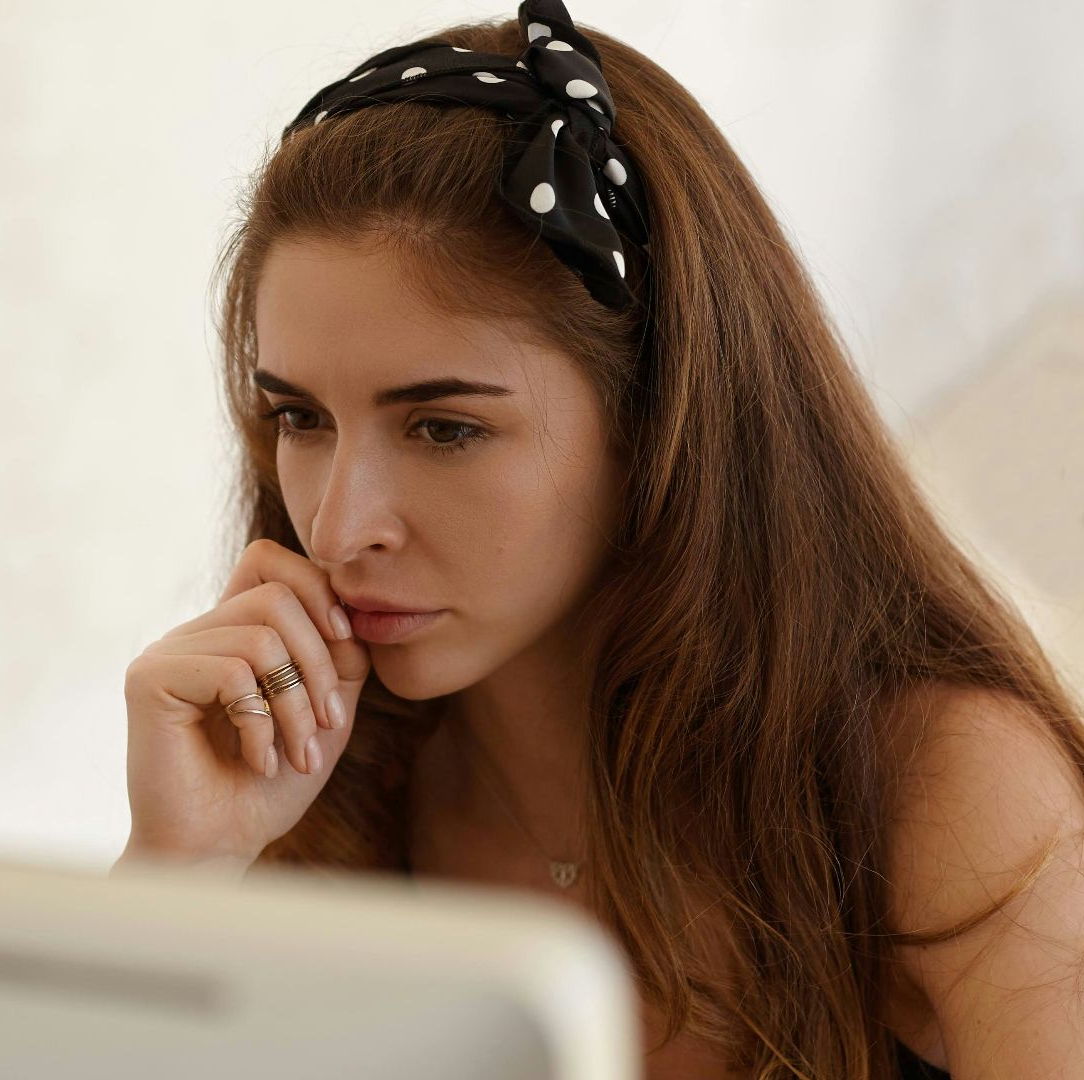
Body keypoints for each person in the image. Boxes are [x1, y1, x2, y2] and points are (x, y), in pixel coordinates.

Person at [112, 3, 1084, 1077]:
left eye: (445, 428)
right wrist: (180, 877)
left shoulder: (935, 784)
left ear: (659, 419)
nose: (341, 527)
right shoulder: (326, 795)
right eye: (300, 418)